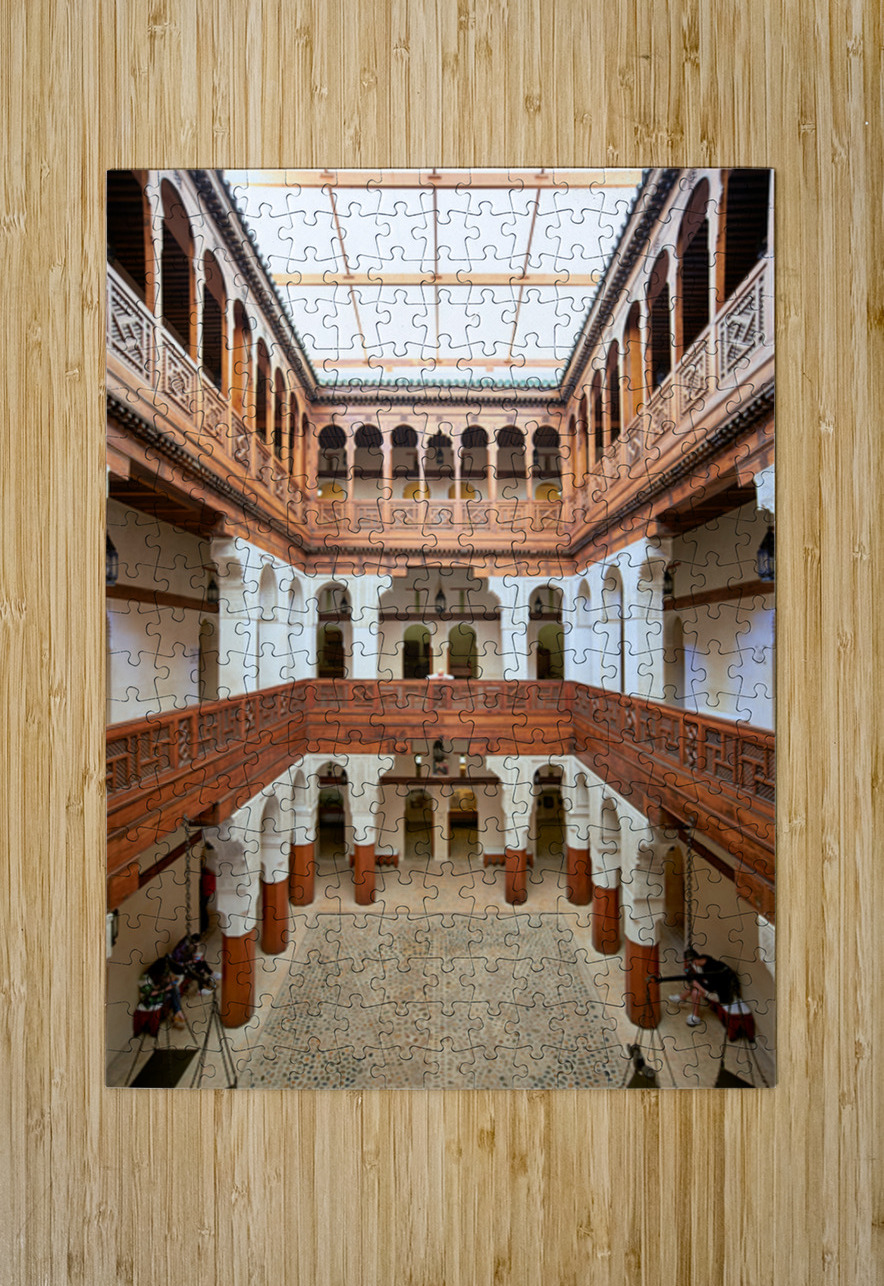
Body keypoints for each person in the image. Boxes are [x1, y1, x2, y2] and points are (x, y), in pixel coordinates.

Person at [654, 948, 742, 1027]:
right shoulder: (705, 960)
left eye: (691, 962)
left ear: (695, 960)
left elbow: (710, 988)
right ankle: (682, 998)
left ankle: (694, 1015)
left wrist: (696, 983)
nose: (691, 965)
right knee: (695, 985)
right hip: (717, 988)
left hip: (725, 995)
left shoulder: (711, 969)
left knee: (696, 989)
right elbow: (696, 974)